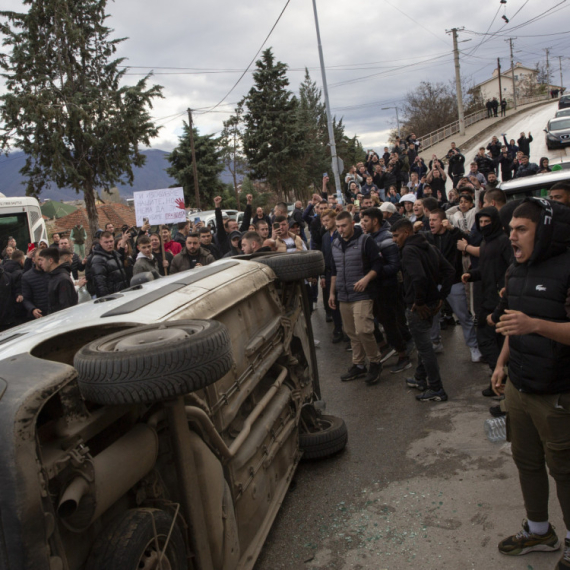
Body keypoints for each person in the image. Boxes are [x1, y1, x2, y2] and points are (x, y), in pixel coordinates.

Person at [490, 198, 570, 567]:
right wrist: (502, 362)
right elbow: (512, 321)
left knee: (565, 470)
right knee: (526, 460)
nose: (512, 237)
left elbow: (528, 321)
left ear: (545, 230)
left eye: (521, 229)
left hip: (557, 391)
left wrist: (535, 325)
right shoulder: (515, 268)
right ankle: (540, 531)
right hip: (519, 386)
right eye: (510, 230)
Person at [391, 218, 455, 401]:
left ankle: (436, 388)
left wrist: (418, 301)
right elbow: (449, 271)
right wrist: (442, 296)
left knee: (425, 348)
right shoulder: (429, 247)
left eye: (396, 236)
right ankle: (420, 378)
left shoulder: (409, 250)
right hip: (432, 303)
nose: (394, 240)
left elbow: (419, 278)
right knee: (423, 344)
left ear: (407, 232)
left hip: (419, 307)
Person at [460, 206, 513, 394]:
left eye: (487, 222)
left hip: (500, 299)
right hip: (487, 296)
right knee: (493, 340)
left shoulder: (503, 241)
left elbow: (511, 267)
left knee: (488, 339)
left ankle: (500, 380)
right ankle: (499, 380)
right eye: (480, 222)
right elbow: (486, 269)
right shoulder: (485, 242)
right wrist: (472, 275)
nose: (483, 225)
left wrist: (506, 288)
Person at [329, 211, 384, 385]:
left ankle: (375, 362)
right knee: (351, 332)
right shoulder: (335, 244)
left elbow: (378, 264)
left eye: (344, 226)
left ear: (352, 224)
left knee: (363, 330)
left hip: (362, 294)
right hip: (343, 295)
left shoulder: (365, 241)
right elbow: (334, 270)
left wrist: (366, 279)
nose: (341, 230)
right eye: (338, 227)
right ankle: (359, 365)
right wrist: (332, 293)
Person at [423, 209, 483, 362]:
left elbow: (468, 239)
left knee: (463, 316)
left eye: (434, 220)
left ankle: (473, 347)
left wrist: (453, 229)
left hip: (453, 282)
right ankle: (435, 342)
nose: (431, 223)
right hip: (434, 283)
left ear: (443, 221)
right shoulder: (428, 237)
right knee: (433, 315)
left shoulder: (453, 235)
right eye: (430, 220)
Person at [361, 208, 413, 373]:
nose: (363, 223)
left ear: (375, 221)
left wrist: (374, 272)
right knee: (375, 320)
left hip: (388, 288)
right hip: (376, 287)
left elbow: (394, 266)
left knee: (391, 323)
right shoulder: (370, 237)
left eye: (366, 221)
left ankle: (403, 356)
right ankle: (385, 346)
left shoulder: (387, 237)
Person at [320, 210, 343, 343]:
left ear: (334, 219)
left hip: (340, 272)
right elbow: (323, 255)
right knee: (332, 302)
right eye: (323, 221)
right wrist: (322, 275)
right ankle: (338, 328)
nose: (325, 223)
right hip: (329, 274)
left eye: (327, 220)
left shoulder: (340, 234)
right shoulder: (324, 236)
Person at [38, 247, 78, 314]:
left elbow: (65, 308)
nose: (40, 263)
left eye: (42, 260)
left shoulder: (62, 279)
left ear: (50, 260)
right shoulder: (53, 276)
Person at [91, 231, 129, 298]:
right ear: (100, 243)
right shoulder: (98, 260)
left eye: (111, 241)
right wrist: (107, 299)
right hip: (112, 297)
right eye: (106, 242)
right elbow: (100, 284)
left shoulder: (114, 254)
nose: (109, 244)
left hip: (122, 293)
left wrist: (124, 241)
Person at [21, 248, 49, 320]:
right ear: (33, 260)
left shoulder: (51, 272)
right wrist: (32, 309)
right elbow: (26, 298)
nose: (41, 262)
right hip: (40, 315)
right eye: (39, 259)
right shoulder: (26, 277)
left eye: (43, 259)